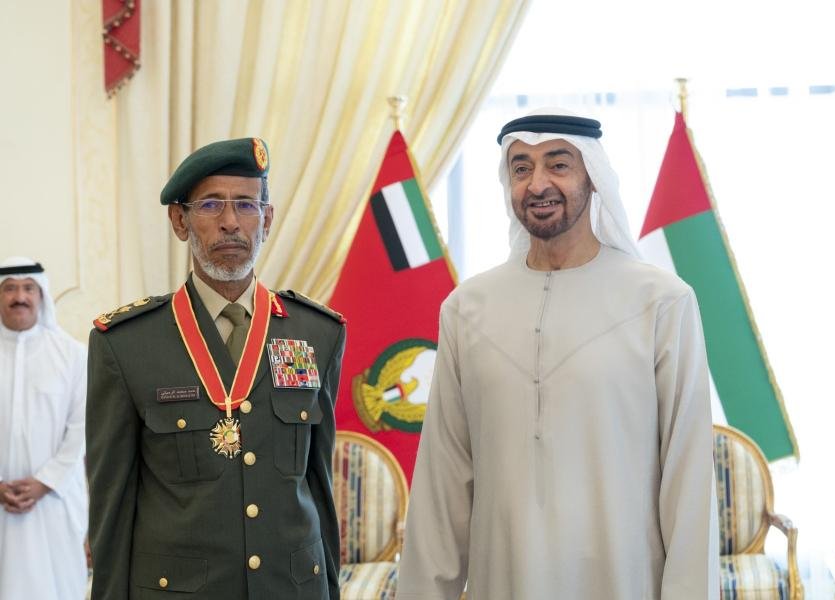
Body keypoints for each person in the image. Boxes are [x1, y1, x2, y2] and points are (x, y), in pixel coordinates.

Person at [396, 111, 718, 599]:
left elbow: (688, 480)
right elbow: (443, 482)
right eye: (521, 168)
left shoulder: (661, 302)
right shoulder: (467, 309)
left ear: (593, 176)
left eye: (558, 164)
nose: (537, 184)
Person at [86, 138, 346, 599]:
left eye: (246, 204)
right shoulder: (126, 345)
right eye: (210, 204)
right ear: (179, 221)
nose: (230, 222)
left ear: (267, 219)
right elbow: (112, 510)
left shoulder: (317, 333)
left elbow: (319, 488)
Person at [0, 257, 88, 599]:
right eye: (9, 288)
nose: (19, 297)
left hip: (54, 502)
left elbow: (82, 428)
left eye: (28, 288)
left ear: (42, 295)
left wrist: (44, 482)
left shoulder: (73, 355)